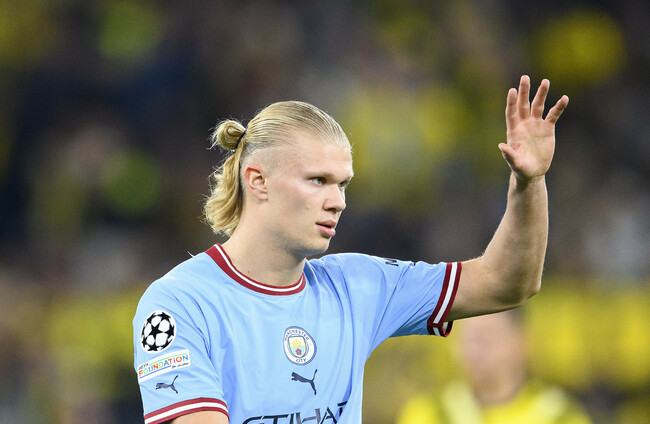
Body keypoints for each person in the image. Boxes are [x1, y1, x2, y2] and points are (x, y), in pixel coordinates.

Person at [133, 75, 569, 424]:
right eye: (318, 181)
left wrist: (528, 183)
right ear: (258, 181)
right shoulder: (178, 304)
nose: (338, 201)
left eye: (342, 184)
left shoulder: (358, 286)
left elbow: (506, 283)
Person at [396, 309, 593, 424]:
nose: (474, 351)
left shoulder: (558, 415)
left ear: (521, 342)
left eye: (486, 339)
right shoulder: (427, 413)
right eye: (468, 340)